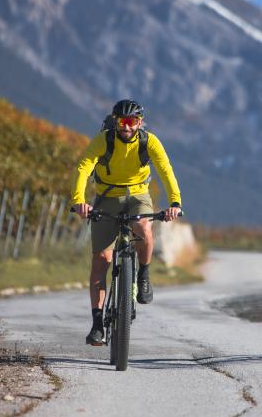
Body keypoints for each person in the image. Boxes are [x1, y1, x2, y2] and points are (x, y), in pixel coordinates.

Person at [71, 99, 182, 346]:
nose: (127, 128)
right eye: (122, 122)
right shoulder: (104, 140)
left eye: (132, 122)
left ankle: (143, 274)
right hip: (107, 196)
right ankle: (97, 324)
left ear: (140, 123)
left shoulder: (149, 141)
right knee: (102, 260)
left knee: (143, 227)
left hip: (138, 196)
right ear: (115, 121)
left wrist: (175, 203)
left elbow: (165, 170)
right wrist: (80, 201)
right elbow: (83, 168)